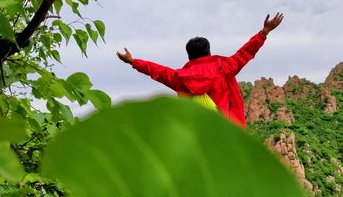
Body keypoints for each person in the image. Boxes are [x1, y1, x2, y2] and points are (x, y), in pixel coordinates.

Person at [116, 13, 284, 127]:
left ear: (189, 56)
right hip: (227, 133)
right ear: (209, 52)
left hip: (199, 137)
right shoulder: (224, 69)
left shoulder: (179, 77)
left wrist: (133, 61)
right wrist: (264, 32)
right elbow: (245, 53)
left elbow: (157, 71)